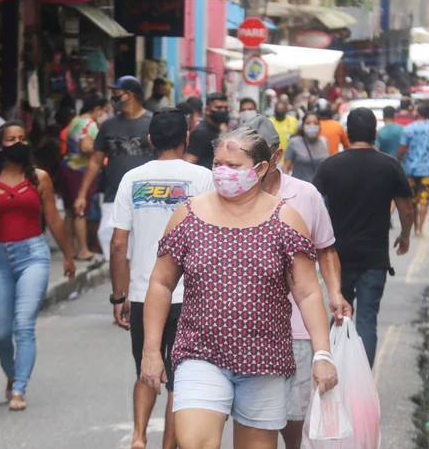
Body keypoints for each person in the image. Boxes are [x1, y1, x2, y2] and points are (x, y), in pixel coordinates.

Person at [140, 127, 338, 449]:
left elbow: (308, 291)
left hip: (265, 360)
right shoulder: (188, 214)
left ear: (261, 169)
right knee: (194, 443)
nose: (222, 172)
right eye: (218, 163)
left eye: (233, 166)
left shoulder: (286, 220)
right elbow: (161, 283)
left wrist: (322, 354)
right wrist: (151, 351)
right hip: (199, 353)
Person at [110, 108, 214, 449]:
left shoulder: (132, 179)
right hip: (189, 294)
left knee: (146, 364)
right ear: (185, 138)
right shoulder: (202, 178)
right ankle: (168, 445)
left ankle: (139, 437)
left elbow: (119, 243)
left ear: (150, 139)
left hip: (142, 292)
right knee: (179, 376)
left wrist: (119, 295)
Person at [245, 116, 351, 449]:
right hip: (244, 327)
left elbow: (326, 249)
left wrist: (334, 293)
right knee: (252, 415)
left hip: (298, 327)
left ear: (276, 157)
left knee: (294, 415)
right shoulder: (225, 197)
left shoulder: (305, 195)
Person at [0, 121, 76, 411]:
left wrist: (69, 255)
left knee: (23, 325)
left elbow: (53, 219)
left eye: (23, 138)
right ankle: (12, 375)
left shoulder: (39, 178)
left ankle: (19, 389)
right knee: (0, 332)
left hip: (33, 256)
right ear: (0, 146)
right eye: (11, 139)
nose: (18, 143)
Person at [314, 108, 414, 366]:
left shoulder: (330, 166)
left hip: (337, 257)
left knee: (338, 316)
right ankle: (364, 380)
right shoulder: (390, 165)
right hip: (374, 258)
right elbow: (406, 207)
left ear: (347, 133)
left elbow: (312, 206)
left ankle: (331, 370)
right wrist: (404, 235)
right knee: (367, 321)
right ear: (375, 134)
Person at [73, 76, 155, 261]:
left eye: (116, 94)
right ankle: (122, 288)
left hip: (148, 195)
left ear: (129, 95)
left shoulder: (153, 122)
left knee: (144, 250)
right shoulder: (109, 126)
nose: (113, 99)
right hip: (114, 194)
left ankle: (137, 287)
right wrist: (82, 194)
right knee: (110, 240)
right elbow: (95, 161)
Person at [58, 93, 105, 261]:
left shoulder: (76, 121)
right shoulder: (90, 125)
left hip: (67, 167)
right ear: (97, 109)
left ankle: (69, 248)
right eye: (103, 110)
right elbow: (85, 147)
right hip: (80, 170)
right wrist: (101, 151)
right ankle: (83, 250)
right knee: (80, 210)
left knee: (71, 211)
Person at [398, 101, 429, 237]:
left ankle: (414, 227)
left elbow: (402, 149)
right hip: (426, 169)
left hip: (411, 169)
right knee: (424, 199)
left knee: (412, 200)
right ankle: (419, 228)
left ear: (417, 113)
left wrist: (397, 163)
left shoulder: (408, 129)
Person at [183, 92, 229, 169]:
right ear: (207, 110)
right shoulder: (201, 133)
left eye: (226, 108)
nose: (223, 111)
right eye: (218, 108)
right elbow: (188, 162)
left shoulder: (218, 129)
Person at [283, 113, 330, 182]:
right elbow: (286, 168)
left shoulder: (324, 141)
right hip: (299, 188)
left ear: (319, 126)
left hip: (319, 188)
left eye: (315, 123)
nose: (312, 125)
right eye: (308, 123)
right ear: (303, 126)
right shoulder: (294, 142)